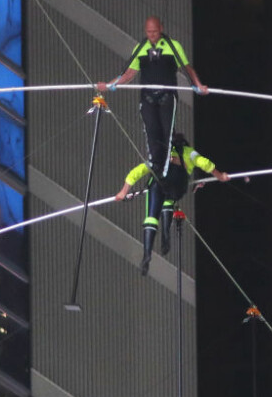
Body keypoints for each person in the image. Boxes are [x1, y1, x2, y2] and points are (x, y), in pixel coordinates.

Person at [97, 17, 208, 178]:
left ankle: (167, 169)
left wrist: (198, 85)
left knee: (166, 133)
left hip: (167, 97)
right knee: (152, 133)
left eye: (155, 31)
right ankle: (156, 168)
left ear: (161, 28)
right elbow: (128, 75)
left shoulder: (173, 46)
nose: (152, 35)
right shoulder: (140, 48)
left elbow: (187, 69)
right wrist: (108, 85)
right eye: (149, 32)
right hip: (147, 98)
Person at [115, 133, 229, 276]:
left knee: (151, 217)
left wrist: (123, 191)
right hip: (178, 187)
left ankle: (147, 254)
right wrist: (220, 176)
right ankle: (166, 234)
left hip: (160, 183)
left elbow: (138, 171)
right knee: (169, 199)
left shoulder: (162, 153)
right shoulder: (189, 152)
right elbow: (204, 163)